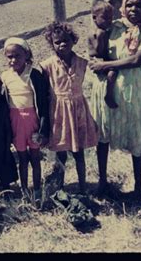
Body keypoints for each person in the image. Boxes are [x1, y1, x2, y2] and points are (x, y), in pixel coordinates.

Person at [88, 0, 141, 200]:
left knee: (135, 134)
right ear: (123, 7)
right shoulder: (115, 27)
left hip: (133, 89)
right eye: (129, 5)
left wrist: (105, 64)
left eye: (138, 5)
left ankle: (138, 185)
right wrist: (95, 58)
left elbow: (138, 59)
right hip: (106, 87)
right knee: (103, 134)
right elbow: (96, 36)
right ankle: (102, 182)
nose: (133, 9)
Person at [40, 22, 98, 195]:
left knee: (79, 152)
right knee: (61, 152)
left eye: (66, 40)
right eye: (57, 42)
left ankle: (82, 186)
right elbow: (44, 93)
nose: (62, 44)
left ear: (73, 40)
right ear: (52, 44)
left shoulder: (82, 63)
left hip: (78, 111)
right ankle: (60, 186)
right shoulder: (47, 66)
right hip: (58, 113)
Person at [1, 37, 50, 202]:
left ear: (26, 55)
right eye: (9, 56)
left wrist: (43, 128)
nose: (13, 60)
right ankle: (24, 190)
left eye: (17, 56)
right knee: (22, 158)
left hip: (32, 120)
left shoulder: (33, 74)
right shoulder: (5, 77)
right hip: (15, 121)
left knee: (35, 156)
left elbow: (42, 102)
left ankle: (36, 189)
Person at [88, 1, 118, 109]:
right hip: (97, 59)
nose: (109, 21)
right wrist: (101, 38)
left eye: (110, 18)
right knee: (113, 72)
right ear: (94, 18)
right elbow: (99, 51)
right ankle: (108, 95)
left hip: (103, 59)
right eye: (105, 18)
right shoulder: (95, 33)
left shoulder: (105, 30)